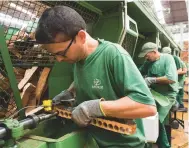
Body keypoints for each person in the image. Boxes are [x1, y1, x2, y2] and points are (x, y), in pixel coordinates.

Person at [35, 6, 157, 148]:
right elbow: (88, 75)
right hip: (93, 140)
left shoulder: (113, 55)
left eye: (61, 53)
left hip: (123, 144)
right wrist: (70, 92)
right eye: (54, 54)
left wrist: (95, 108)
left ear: (81, 36)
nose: (59, 60)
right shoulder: (78, 58)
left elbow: (147, 106)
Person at [138, 42, 178, 148]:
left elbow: (171, 79)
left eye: (147, 55)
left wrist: (152, 80)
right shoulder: (148, 62)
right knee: (144, 115)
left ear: (154, 52)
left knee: (156, 120)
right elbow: (138, 72)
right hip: (154, 94)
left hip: (167, 95)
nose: (146, 57)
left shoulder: (167, 59)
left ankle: (165, 145)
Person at [162, 47, 187, 111]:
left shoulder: (176, 59)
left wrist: (171, 74)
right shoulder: (165, 59)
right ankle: (178, 105)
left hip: (179, 79)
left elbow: (182, 70)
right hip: (174, 78)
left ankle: (180, 106)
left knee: (178, 92)